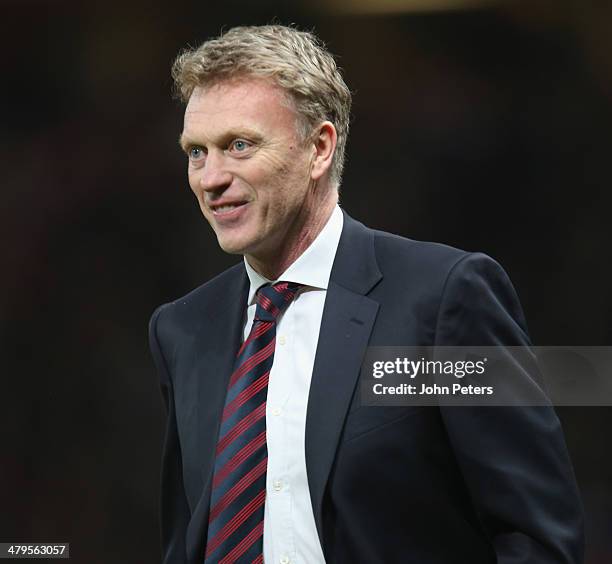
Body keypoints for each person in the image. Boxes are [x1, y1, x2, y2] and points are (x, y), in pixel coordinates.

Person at [149, 24, 584, 564]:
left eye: (239, 145)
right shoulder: (182, 329)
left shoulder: (444, 299)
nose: (211, 177)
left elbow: (537, 536)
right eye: (197, 152)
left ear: (319, 148)